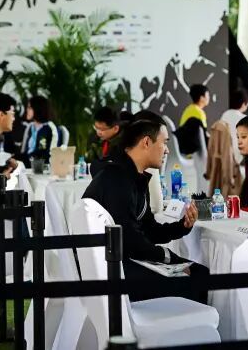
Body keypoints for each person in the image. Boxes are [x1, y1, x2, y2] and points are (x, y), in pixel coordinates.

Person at [82, 118, 207, 303]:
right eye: (164, 142)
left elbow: (148, 230)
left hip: (119, 261)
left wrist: (182, 226)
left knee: (199, 272)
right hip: (110, 271)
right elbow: (131, 240)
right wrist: (168, 257)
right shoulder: (117, 178)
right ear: (146, 142)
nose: (167, 150)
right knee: (196, 277)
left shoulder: (133, 176)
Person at [20, 95, 60, 164]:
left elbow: (41, 152)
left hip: (40, 165)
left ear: (37, 109)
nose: (27, 110)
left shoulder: (47, 128)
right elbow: (25, 151)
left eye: (29, 108)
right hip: (28, 163)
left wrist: (23, 159)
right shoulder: (30, 127)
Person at [176, 84, 210, 155]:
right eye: (207, 95)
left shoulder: (188, 109)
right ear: (201, 98)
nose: (209, 98)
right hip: (194, 153)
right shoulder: (199, 113)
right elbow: (203, 136)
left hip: (185, 150)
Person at [220, 89, 248, 163]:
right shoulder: (244, 118)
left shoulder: (225, 114)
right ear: (243, 104)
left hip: (223, 151)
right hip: (238, 153)